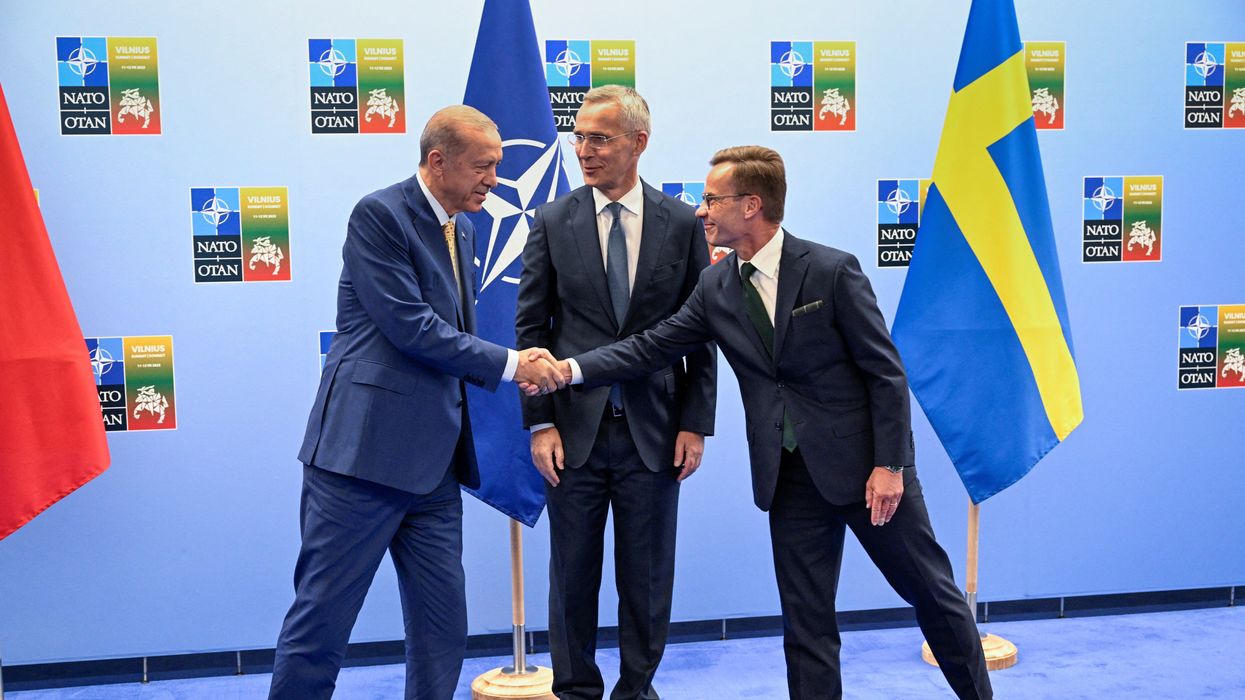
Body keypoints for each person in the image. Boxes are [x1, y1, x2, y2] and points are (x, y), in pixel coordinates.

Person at [536, 145, 992, 699]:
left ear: (751, 205)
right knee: (806, 624)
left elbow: (886, 375)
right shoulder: (716, 286)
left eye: (713, 199)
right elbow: (651, 347)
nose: (701, 210)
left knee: (933, 597)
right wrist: (570, 370)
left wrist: (891, 465)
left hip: (869, 473)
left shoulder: (831, 269)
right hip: (788, 478)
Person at [269, 105, 564, 700]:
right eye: (483, 167)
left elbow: (451, 336)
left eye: (498, 166)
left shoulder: (466, 228)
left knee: (442, 627)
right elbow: (413, 328)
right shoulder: (380, 215)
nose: (494, 180)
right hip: (361, 461)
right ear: (438, 161)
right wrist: (514, 365)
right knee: (322, 622)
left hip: (434, 467)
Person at [514, 85, 717, 700]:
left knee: (647, 580)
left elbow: (701, 331)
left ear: (639, 142)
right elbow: (531, 332)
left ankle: (636, 691)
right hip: (571, 435)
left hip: (655, 434)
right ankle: (575, 691)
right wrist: (540, 423)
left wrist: (695, 422)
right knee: (571, 578)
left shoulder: (682, 223)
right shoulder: (552, 220)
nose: (584, 150)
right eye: (578, 137)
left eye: (599, 138)